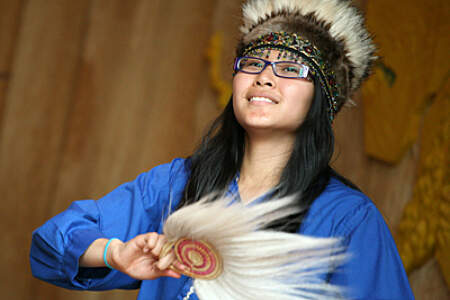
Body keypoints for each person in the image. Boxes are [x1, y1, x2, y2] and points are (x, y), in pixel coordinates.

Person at [30, 0, 414, 299]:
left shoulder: (349, 219)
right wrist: (116, 253)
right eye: (253, 62)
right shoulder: (177, 184)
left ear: (322, 99)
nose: (264, 77)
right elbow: (50, 243)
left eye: (291, 68)